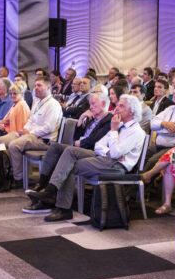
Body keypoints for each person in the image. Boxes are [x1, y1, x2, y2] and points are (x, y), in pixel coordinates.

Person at [40, 94, 147, 223]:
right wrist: (108, 151)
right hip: (106, 159)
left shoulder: (135, 131)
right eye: (117, 105)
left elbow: (115, 153)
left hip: (117, 167)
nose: (117, 108)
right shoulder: (119, 126)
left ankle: (62, 207)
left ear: (132, 111)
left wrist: (113, 132)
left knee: (70, 166)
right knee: (70, 151)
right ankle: (51, 191)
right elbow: (99, 145)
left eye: (121, 106)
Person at [23, 91, 113, 212]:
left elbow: (94, 141)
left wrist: (80, 143)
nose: (90, 107)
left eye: (93, 104)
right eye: (90, 104)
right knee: (55, 147)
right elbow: (75, 138)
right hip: (79, 148)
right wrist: (81, 120)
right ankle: (42, 185)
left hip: (92, 152)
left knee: (68, 154)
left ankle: (50, 193)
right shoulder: (91, 118)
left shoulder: (109, 120)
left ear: (103, 104)